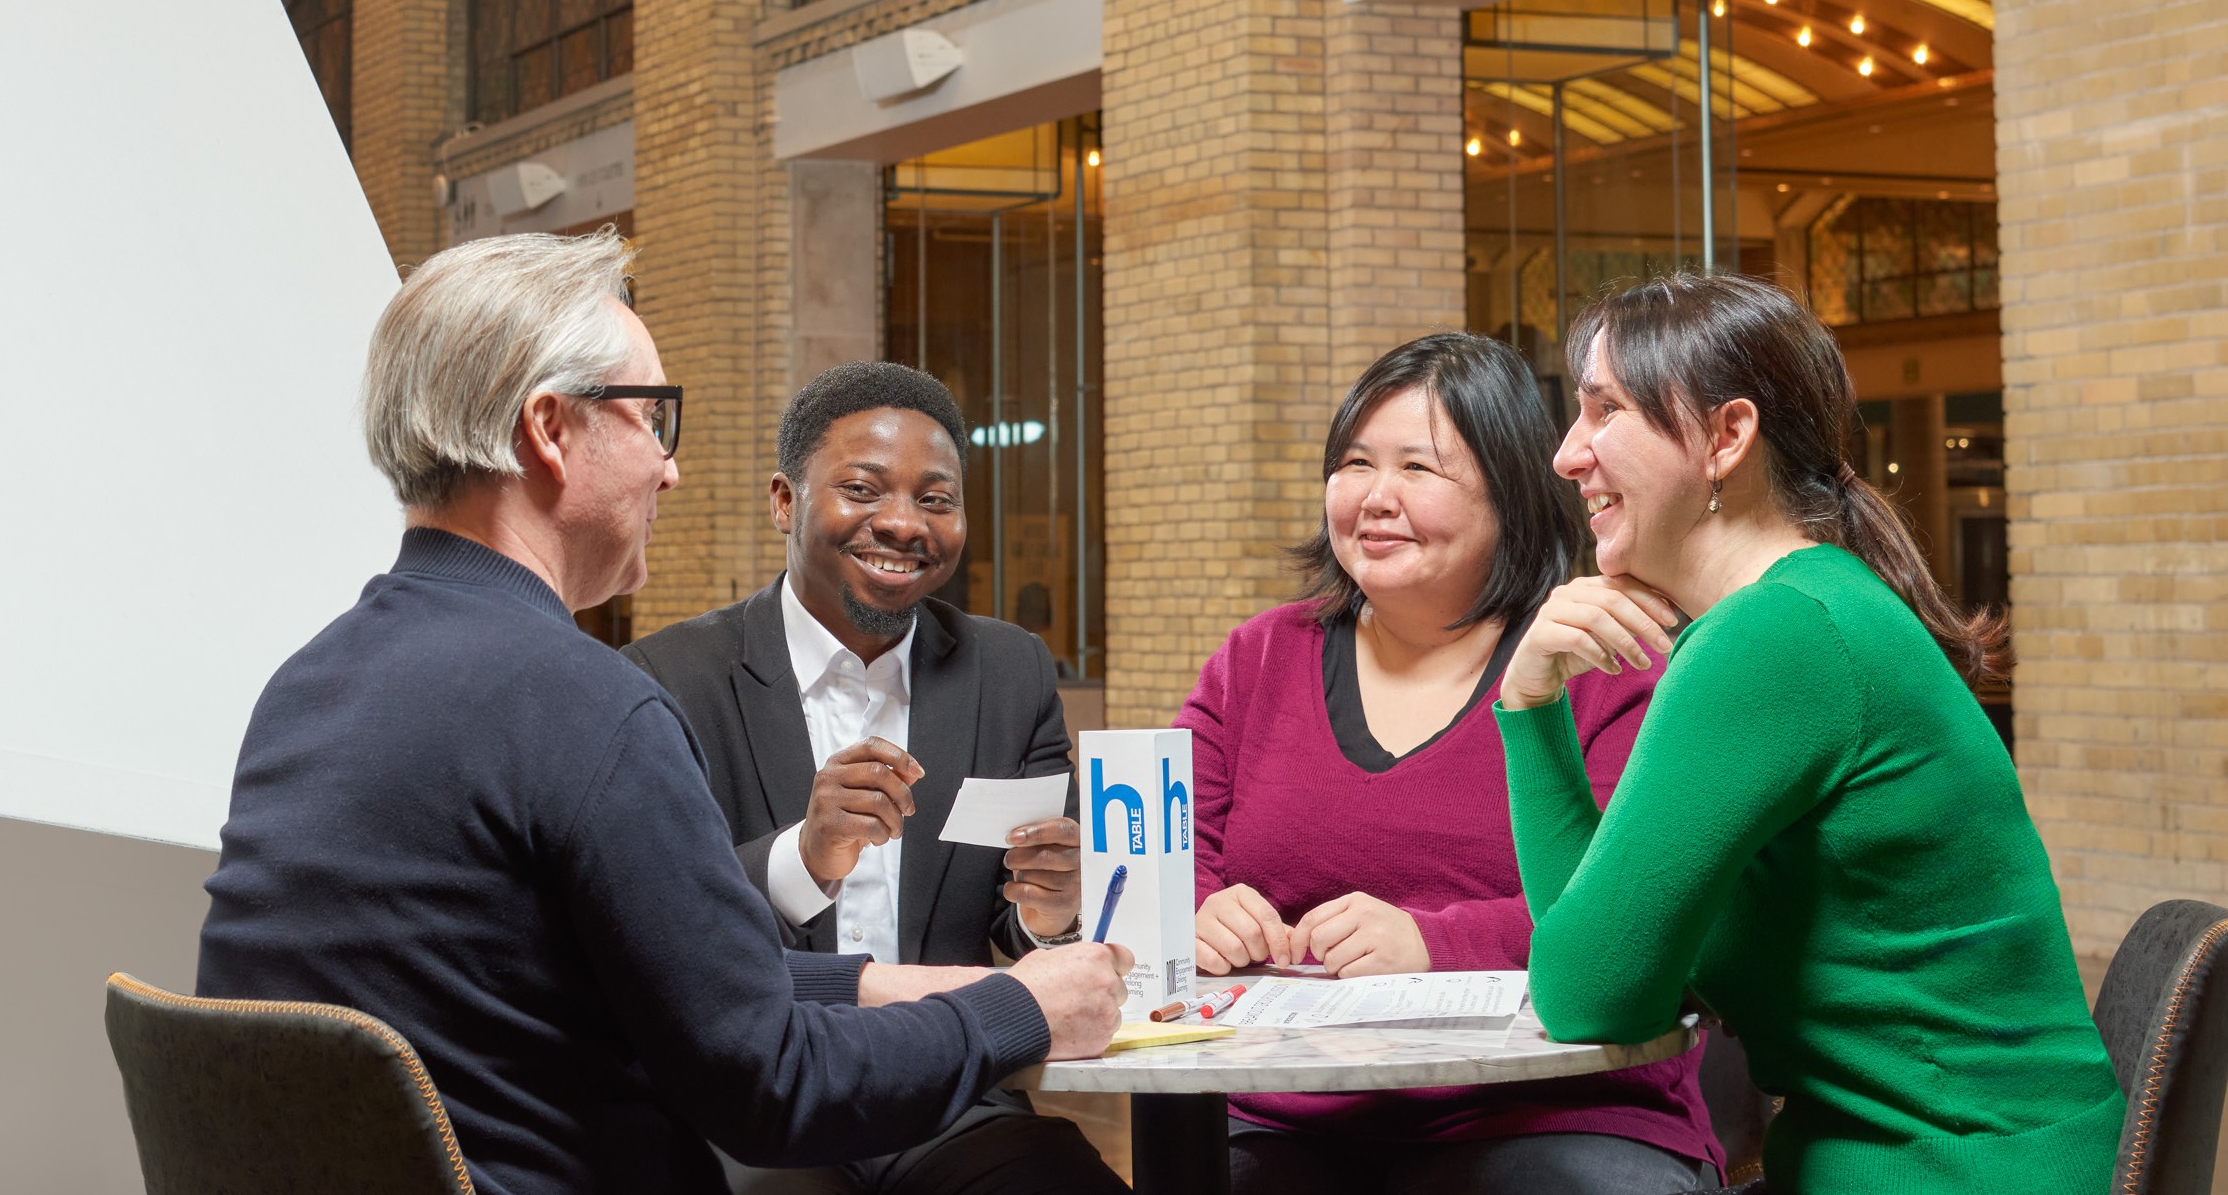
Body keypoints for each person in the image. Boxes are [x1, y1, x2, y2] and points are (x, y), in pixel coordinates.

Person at [196, 232, 1130, 1195]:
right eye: (654, 418)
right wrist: (1018, 1010)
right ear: (551, 430)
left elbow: (603, 973)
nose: (670, 470)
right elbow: (770, 1087)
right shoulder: (589, 706)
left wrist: (861, 982)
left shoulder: (307, 684)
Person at [1498, 271, 2125, 1193]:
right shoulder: (1808, 608)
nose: (1566, 454)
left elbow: (1585, 991)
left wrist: (1525, 710)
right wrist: (1534, 701)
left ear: (1726, 437)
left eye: (1604, 411)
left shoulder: (1773, 636)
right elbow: (1608, 972)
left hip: (1956, 1169)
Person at [1181, 332, 1721, 1195]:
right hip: (1291, 1116)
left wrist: (1432, 941)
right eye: (1355, 463)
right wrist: (1198, 912)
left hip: (1556, 1112)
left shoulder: (1604, 663)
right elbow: (1160, 865)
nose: (1376, 498)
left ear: (1509, 493)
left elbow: (1642, 920)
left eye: (1419, 470)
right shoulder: (1256, 661)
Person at [627, 361, 1122, 1195]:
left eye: (935, 499)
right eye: (862, 490)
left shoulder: (1007, 672)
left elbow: (1022, 929)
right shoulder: (669, 679)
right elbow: (660, 933)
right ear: (785, 501)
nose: (903, 524)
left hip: (950, 1098)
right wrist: (807, 855)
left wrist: (1050, 912)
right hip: (755, 1106)